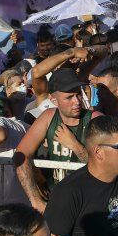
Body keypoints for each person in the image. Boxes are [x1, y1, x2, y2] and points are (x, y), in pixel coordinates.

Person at [14, 69, 94, 212]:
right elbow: (21, 155)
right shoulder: (48, 117)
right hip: (56, 200)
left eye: (78, 95)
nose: (77, 101)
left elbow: (106, 165)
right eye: (69, 97)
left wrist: (75, 146)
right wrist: (35, 200)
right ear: (53, 100)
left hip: (89, 201)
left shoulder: (94, 119)